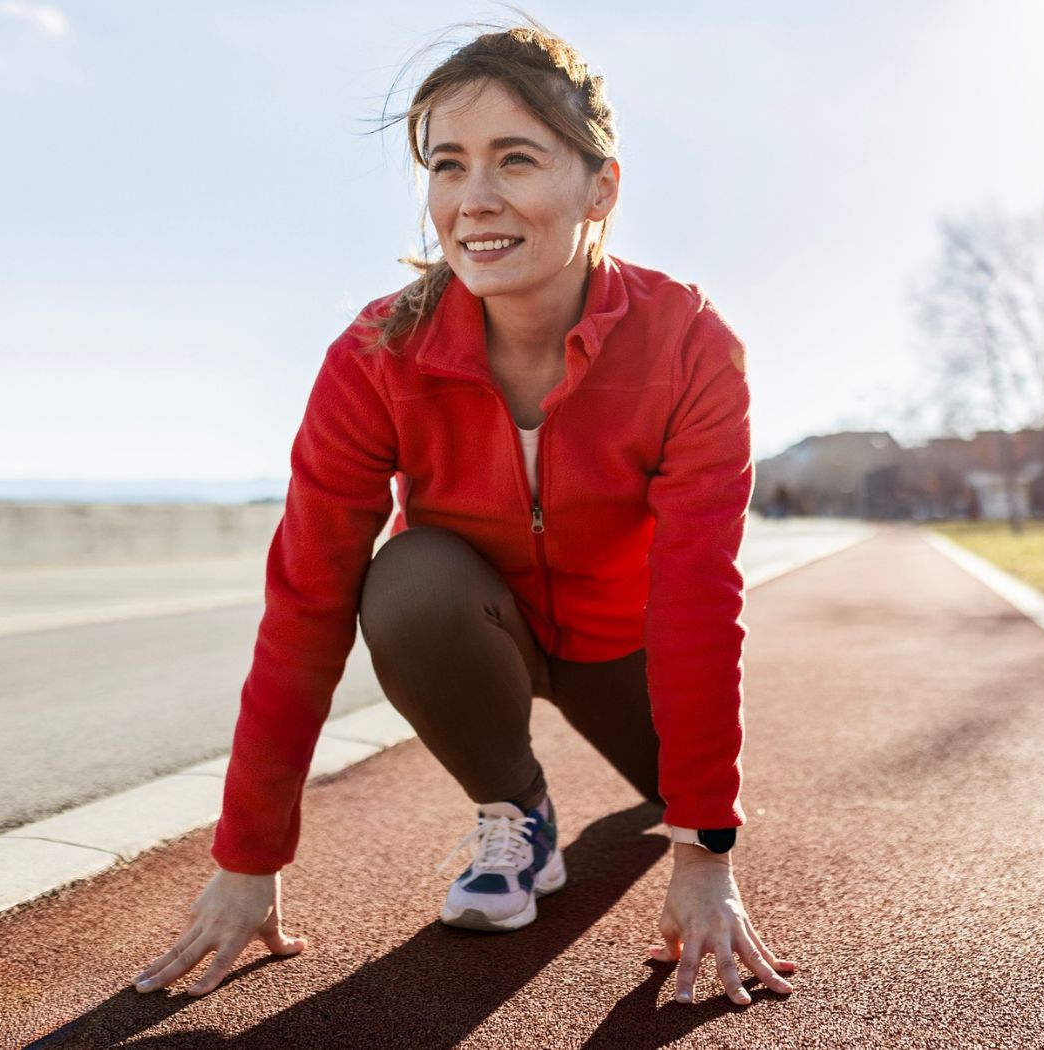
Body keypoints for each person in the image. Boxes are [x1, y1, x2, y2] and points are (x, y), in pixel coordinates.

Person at [130, 20, 797, 1008]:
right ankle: (517, 814)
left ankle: (661, 795)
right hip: (480, 627)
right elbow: (306, 602)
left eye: (515, 159)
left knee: (668, 800)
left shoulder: (690, 344)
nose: (473, 199)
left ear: (600, 188)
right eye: (447, 165)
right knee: (406, 581)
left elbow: (699, 594)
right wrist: (249, 856)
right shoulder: (375, 357)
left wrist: (705, 848)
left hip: (628, 651)